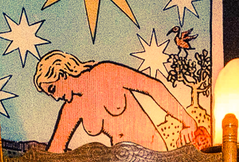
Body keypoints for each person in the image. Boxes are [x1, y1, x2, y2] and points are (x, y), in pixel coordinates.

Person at [35, 51, 201, 152]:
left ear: (62, 74)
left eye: (52, 89)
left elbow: (153, 87)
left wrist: (188, 122)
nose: (55, 97)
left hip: (153, 151)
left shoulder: (105, 72)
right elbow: (56, 148)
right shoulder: (71, 108)